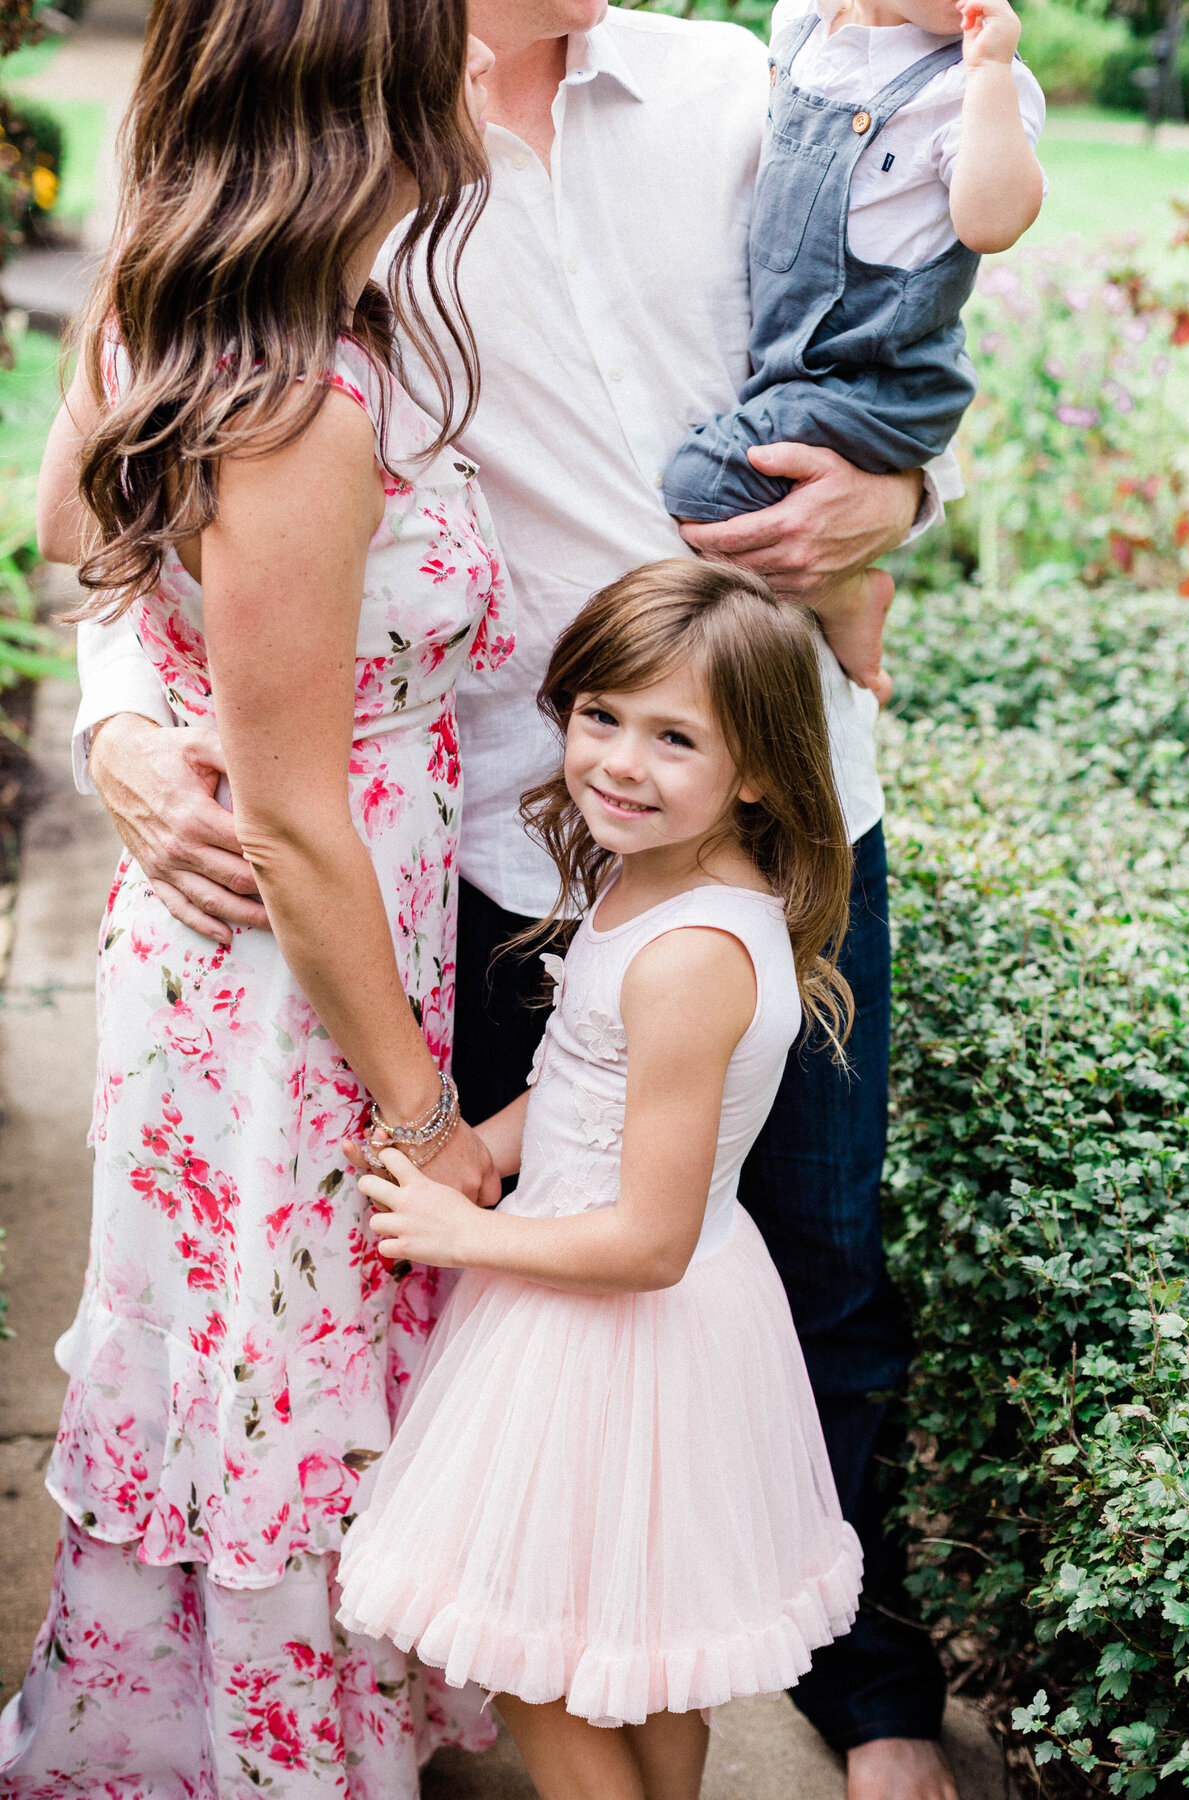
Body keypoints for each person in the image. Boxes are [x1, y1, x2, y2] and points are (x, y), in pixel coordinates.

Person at [67, 2, 964, 1793]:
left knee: (822, 1262)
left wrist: (904, 484)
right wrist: (117, 721)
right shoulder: (335, 164)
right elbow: (123, 474)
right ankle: (502, 1672)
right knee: (515, 1302)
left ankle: (855, 1690)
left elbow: (887, 336)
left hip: (785, 791)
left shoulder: (729, 88)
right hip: (493, 843)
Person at [0, 1, 515, 1792]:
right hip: (297, 975)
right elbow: (298, 821)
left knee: (241, 1338)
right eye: (444, 47)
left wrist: (139, 691)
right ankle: (272, 1753)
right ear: (357, 100)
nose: (473, 70)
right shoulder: (301, 391)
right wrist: (430, 1119)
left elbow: (70, 518)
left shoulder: (198, 301)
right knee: (279, 1347)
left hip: (255, 953)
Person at [337, 559, 865, 1800]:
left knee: (529, 1653)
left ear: (759, 770)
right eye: (600, 717)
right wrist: (480, 1148)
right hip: (612, 1301)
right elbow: (586, 1083)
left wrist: (455, 1233)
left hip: (615, 1318)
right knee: (644, 1659)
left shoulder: (691, 955)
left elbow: (646, 1243)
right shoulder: (661, 871)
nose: (620, 762)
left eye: (674, 736)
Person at [663, 0, 1046, 703]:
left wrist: (989, 73)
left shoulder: (973, 84)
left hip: (875, 380)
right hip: (793, 361)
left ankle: (842, 596)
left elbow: (992, 223)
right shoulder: (801, 25)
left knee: (703, 483)